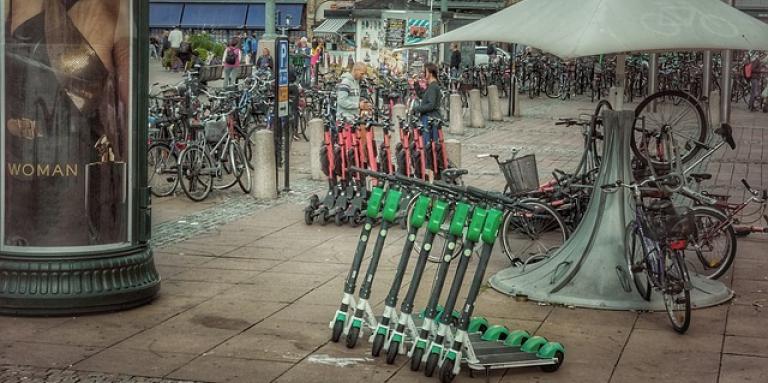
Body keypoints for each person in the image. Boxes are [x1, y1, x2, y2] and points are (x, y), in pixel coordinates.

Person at [4, 0, 131, 246]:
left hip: (66, 167)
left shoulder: (110, 8)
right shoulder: (112, 8)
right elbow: (128, 100)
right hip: (39, 166)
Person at [412, 62, 443, 179]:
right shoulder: (431, 86)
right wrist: (415, 84)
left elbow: (430, 105)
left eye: (424, 71)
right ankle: (428, 170)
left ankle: (432, 171)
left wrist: (417, 109)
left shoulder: (434, 87)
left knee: (429, 146)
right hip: (428, 118)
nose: (423, 73)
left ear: (429, 72)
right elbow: (423, 96)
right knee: (426, 145)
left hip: (431, 119)